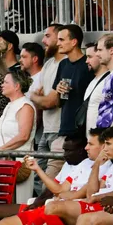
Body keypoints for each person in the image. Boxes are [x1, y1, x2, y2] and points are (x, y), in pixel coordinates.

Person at [29, 24, 67, 180]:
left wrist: (32, 96)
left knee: (50, 181)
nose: (43, 40)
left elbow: (49, 102)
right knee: (36, 178)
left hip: (59, 131)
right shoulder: (48, 64)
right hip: (45, 130)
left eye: (47, 36)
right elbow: (41, 98)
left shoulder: (65, 64)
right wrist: (39, 98)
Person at [0, 70, 36, 154]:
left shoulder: (25, 106)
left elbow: (23, 136)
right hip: (5, 161)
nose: (2, 85)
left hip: (20, 162)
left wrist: (0, 149)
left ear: (17, 86)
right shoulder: (10, 105)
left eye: (6, 82)